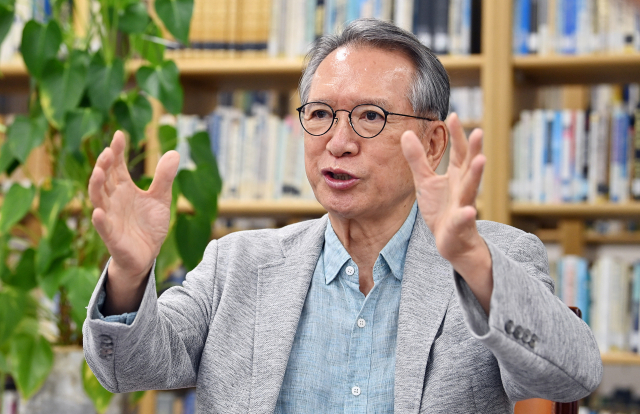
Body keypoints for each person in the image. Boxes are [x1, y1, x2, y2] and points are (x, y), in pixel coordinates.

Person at [84, 18, 602, 413]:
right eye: (320, 114)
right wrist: (129, 274)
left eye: (370, 116)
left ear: (432, 142)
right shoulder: (237, 264)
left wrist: (471, 260)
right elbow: (129, 369)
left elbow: (571, 376)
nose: (338, 142)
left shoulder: (496, 257)